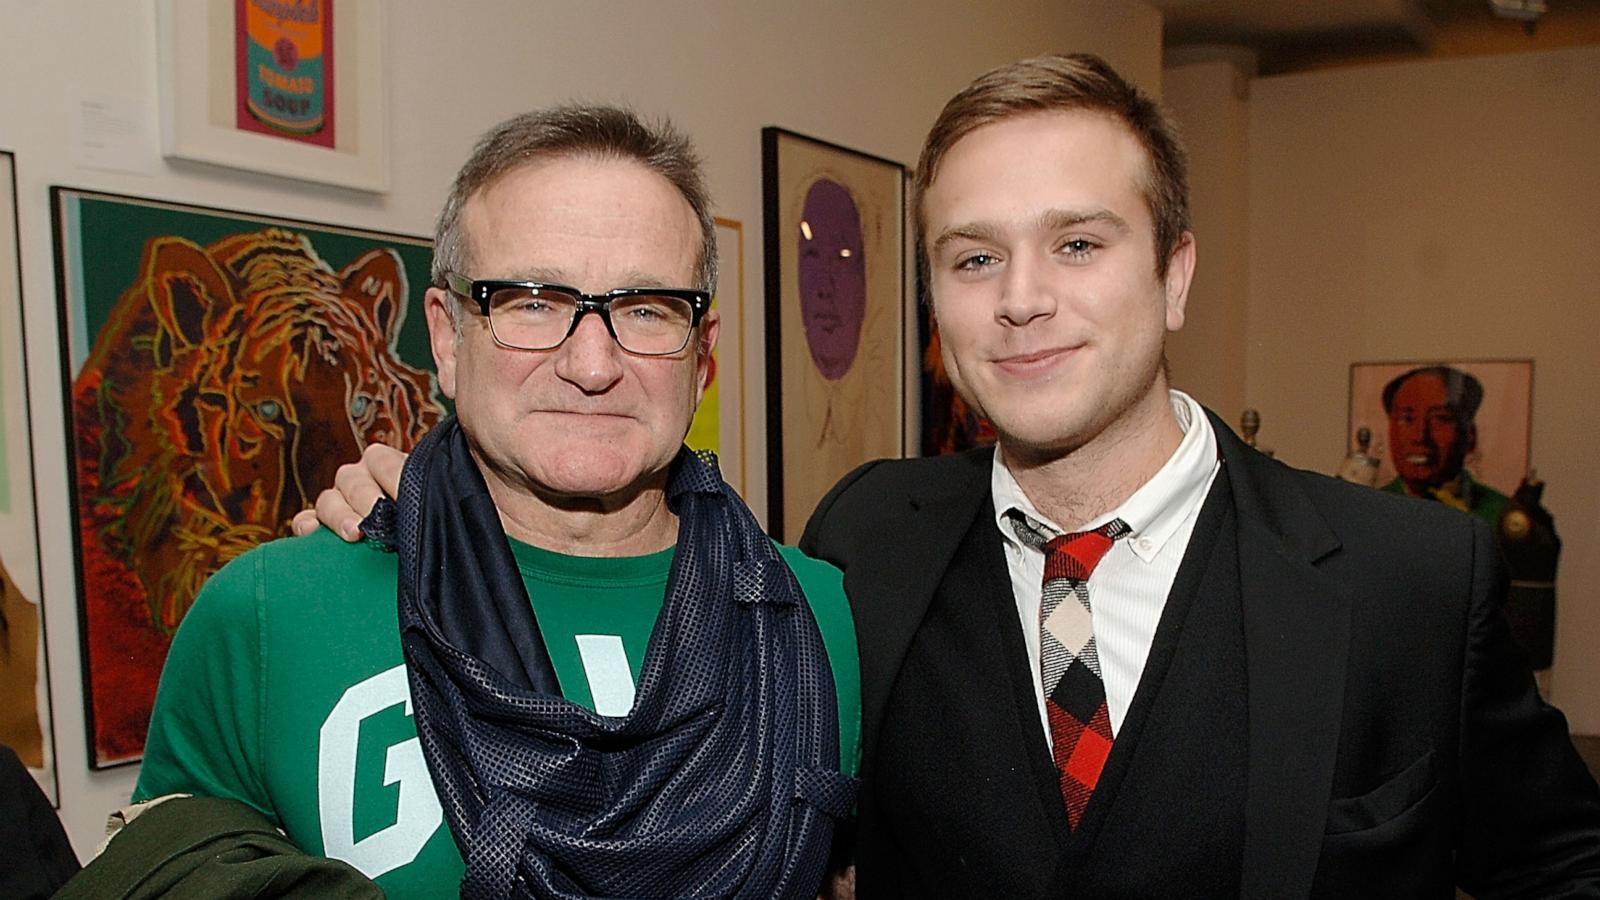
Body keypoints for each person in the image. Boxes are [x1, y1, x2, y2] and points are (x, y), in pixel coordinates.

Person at [306, 56, 1600, 897]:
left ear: (1177, 271)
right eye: (974, 259)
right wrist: (422, 506)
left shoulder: (1405, 578)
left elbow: (1560, 867)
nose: (1024, 302)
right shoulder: (860, 548)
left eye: (1079, 243)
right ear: (934, 300)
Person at [139, 104, 860, 899]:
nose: (592, 364)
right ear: (447, 339)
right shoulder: (268, 616)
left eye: (646, 310)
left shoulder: (816, 613)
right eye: (533, 302)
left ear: (702, 355)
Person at [1380, 363, 1510, 526]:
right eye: (1407, 419)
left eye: (1440, 419)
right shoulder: (1368, 512)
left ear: (1470, 435)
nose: (1420, 436)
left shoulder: (1503, 517)